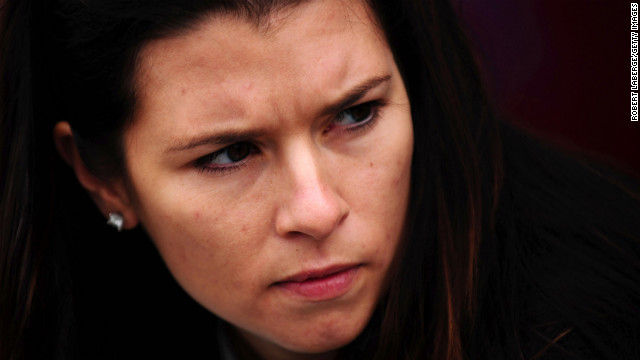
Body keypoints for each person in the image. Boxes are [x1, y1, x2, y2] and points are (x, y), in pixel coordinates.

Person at [1, 0, 638, 359]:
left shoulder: (589, 324)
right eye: (228, 154)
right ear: (103, 177)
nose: (317, 209)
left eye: (356, 113)